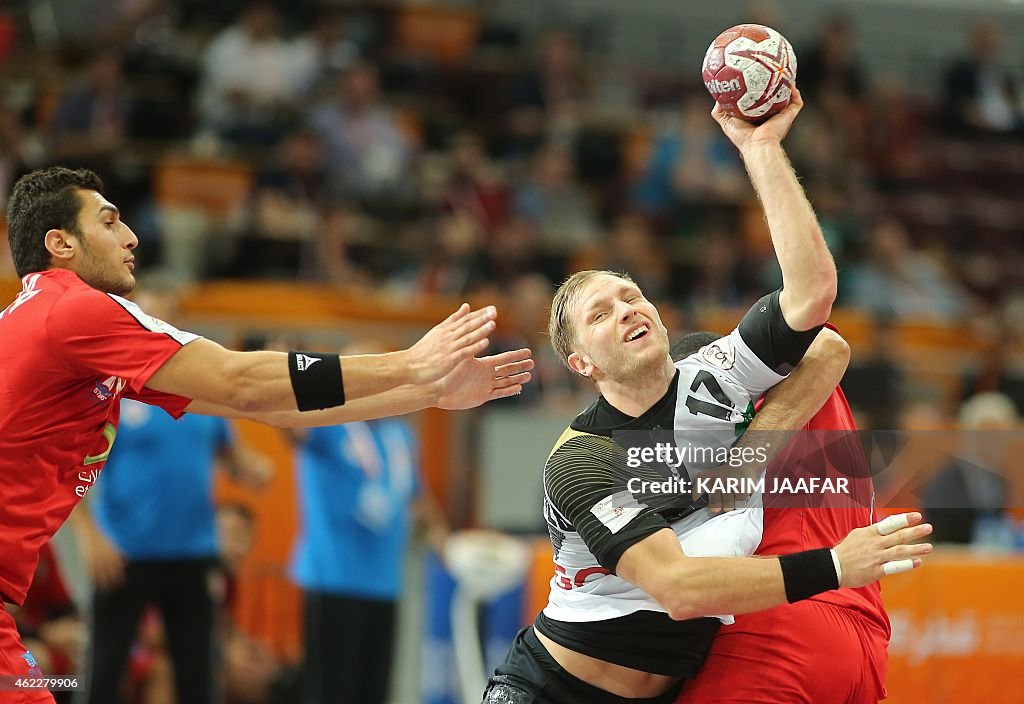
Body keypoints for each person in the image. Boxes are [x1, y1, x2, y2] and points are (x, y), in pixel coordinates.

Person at [0, 166, 533, 703]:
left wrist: (428, 393)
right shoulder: (73, 309)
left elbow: (271, 408)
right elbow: (243, 380)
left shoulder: (63, 328)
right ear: (60, 244)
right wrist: (412, 365)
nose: (131, 236)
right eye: (110, 222)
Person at [483, 90, 932, 704]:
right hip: (558, 688)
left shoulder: (709, 367)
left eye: (631, 295)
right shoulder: (582, 461)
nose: (626, 309)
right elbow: (680, 589)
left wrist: (762, 148)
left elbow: (818, 319)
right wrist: (834, 565)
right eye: (600, 314)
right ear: (580, 362)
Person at [71, 282, 274, 704]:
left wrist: (252, 468)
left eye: (165, 318)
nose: (156, 325)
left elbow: (233, 457)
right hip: (125, 555)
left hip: (194, 554)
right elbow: (68, 470)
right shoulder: (113, 392)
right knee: (104, 675)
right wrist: (90, 538)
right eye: (149, 316)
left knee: (199, 676)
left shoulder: (199, 395)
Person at [670, 332, 890, 703]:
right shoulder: (820, 406)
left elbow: (825, 343)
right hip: (864, 640)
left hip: (782, 624)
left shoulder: (743, 395)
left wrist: (745, 460)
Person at [288, 341, 449, 704]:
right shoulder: (326, 420)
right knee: (331, 691)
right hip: (332, 579)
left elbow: (415, 494)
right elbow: (288, 426)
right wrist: (294, 375)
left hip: (384, 583)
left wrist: (442, 536)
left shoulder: (401, 436)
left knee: (374, 691)